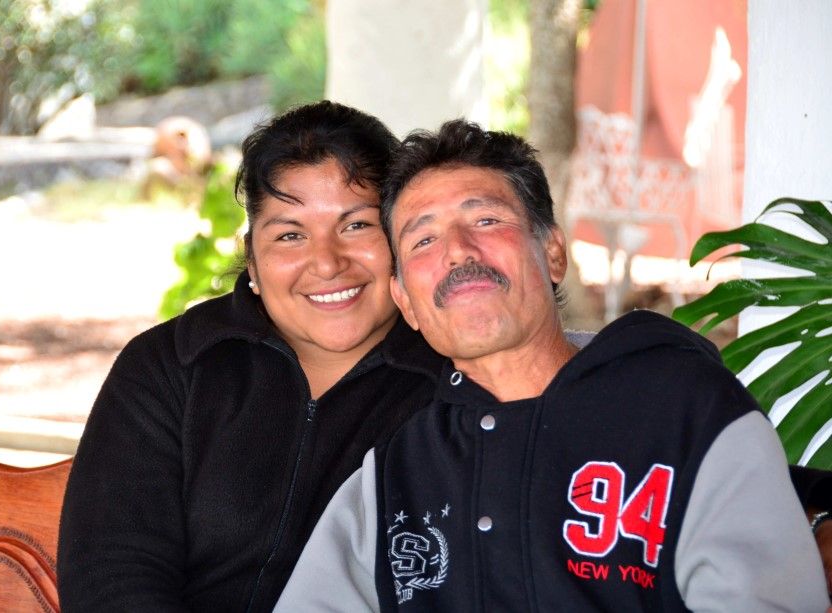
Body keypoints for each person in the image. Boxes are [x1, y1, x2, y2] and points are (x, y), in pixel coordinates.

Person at [275, 120, 830, 611]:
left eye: (486, 219)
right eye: (422, 239)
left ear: (554, 254)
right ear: (407, 302)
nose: (458, 250)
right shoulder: (394, 476)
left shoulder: (686, 408)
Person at [57, 101, 446, 611]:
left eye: (356, 225)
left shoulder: (454, 382)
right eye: (290, 234)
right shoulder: (172, 366)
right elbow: (110, 577)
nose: (327, 263)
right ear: (253, 260)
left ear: (399, 236)